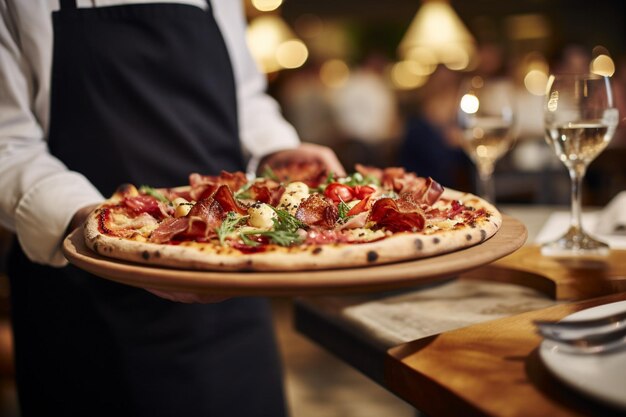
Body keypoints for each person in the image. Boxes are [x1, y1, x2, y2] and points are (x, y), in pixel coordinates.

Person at [0, 1, 345, 416]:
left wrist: (275, 149)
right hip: (82, 302)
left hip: (232, 286)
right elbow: (8, 142)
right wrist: (103, 226)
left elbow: (244, 96)